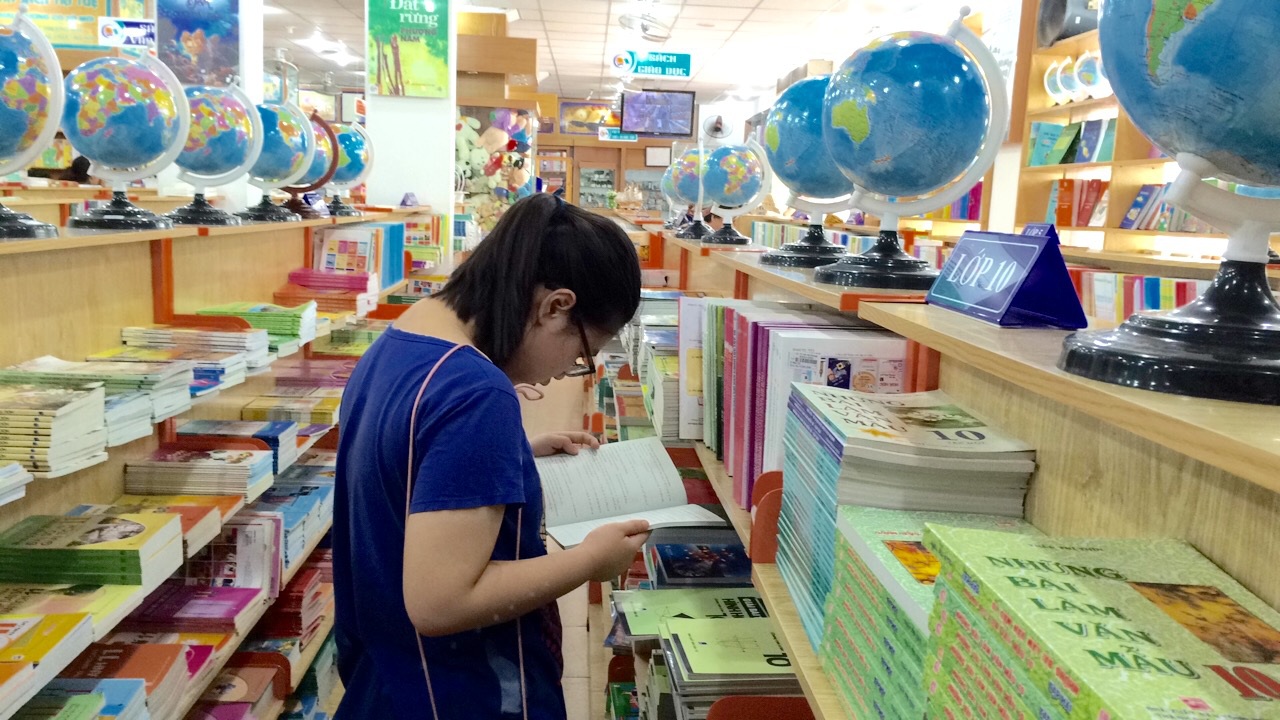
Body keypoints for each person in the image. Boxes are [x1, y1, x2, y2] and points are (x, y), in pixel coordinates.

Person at [333, 193, 650, 719]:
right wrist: (590, 561)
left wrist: (512, 455)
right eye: (583, 353)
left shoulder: (406, 335)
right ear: (555, 306)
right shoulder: (476, 391)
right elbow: (441, 602)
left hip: (388, 677)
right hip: (459, 692)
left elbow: (403, 465)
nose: (567, 370)